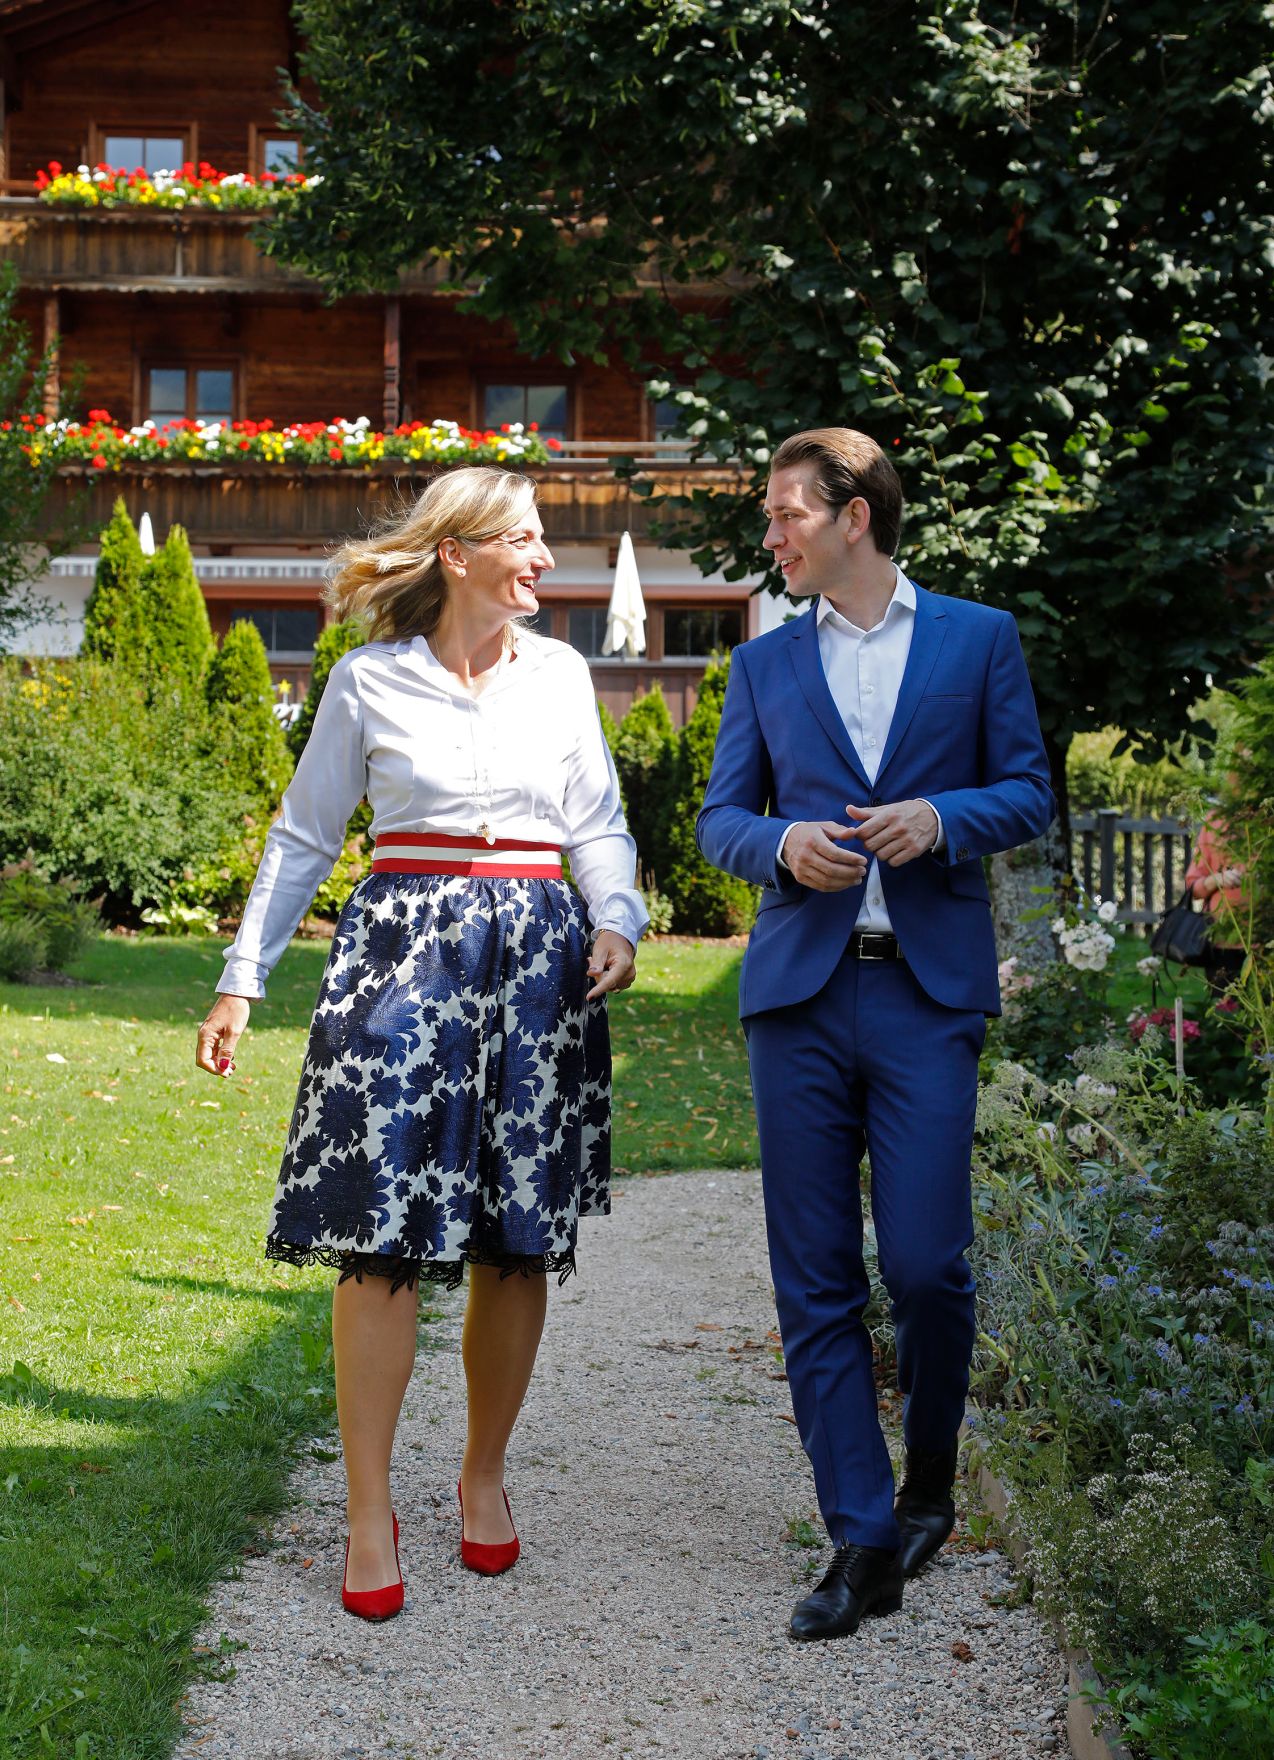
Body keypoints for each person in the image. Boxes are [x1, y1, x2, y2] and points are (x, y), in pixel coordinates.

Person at [195, 466, 646, 1618]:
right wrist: (242, 977)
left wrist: (616, 918)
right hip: (399, 957)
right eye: (526, 540)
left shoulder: (559, 675)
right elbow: (303, 837)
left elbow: (593, 821)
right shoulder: (367, 680)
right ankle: (365, 1506)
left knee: (514, 1236)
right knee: (378, 1234)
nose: (547, 560)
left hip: (535, 964)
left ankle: (482, 1476)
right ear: (458, 553)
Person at [697, 428, 1055, 1642]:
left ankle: (930, 1484)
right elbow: (717, 819)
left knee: (921, 1264)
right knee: (812, 1277)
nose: (770, 533)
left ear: (854, 515)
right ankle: (857, 1533)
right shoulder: (763, 664)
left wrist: (940, 817)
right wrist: (776, 845)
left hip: (923, 993)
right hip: (797, 994)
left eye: (785, 512)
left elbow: (1025, 789)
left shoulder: (975, 638)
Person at [1184, 810, 1247, 993]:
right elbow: (1193, 887)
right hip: (1223, 941)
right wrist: (1218, 879)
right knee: (1226, 1011)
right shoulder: (1215, 820)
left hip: (1265, 940)